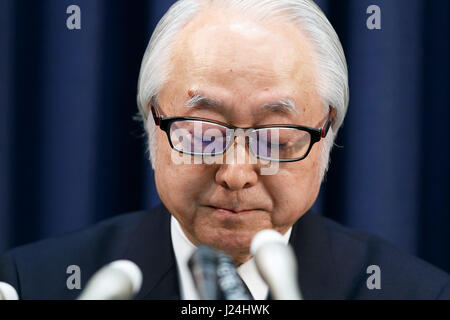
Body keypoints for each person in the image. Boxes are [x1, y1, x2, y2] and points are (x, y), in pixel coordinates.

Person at [1, 0, 449, 300]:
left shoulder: (414, 293)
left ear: (325, 132)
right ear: (152, 121)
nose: (235, 173)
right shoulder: (37, 284)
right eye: (202, 131)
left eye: (275, 136)